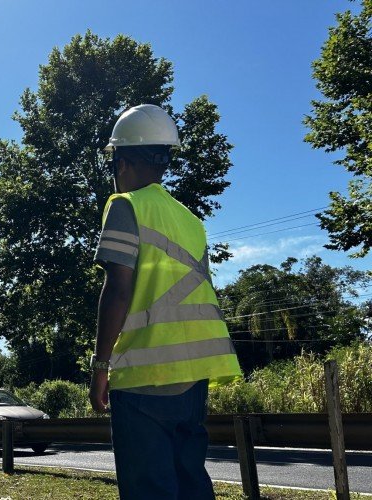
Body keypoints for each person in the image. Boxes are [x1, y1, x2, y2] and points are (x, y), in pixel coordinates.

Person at [88, 104, 242, 499]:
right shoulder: (190, 220)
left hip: (144, 378)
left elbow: (118, 289)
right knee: (190, 482)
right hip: (194, 379)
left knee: (149, 489)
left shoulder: (126, 205)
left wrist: (100, 364)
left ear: (121, 161)